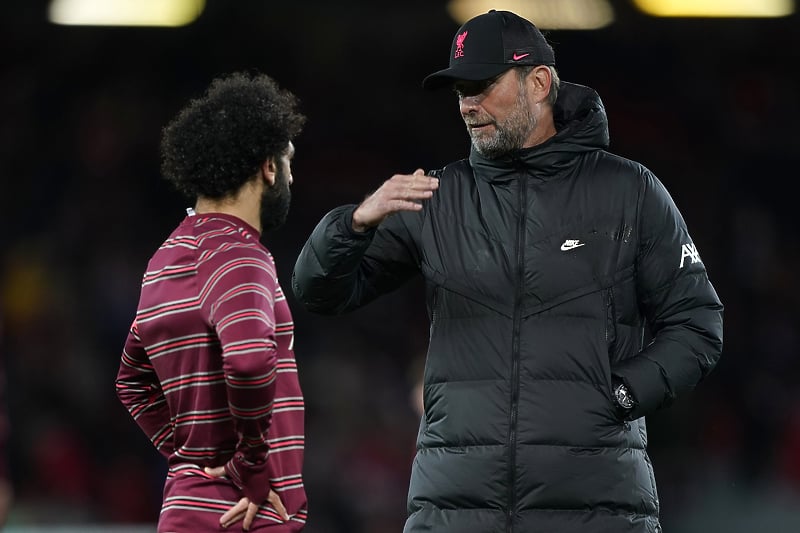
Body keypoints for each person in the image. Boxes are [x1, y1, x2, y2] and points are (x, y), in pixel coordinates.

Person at [292, 9, 723, 533]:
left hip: (594, 508)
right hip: (455, 508)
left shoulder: (629, 192)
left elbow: (698, 325)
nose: (468, 105)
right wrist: (354, 224)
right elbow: (318, 292)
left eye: (482, 85)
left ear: (539, 82)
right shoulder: (436, 198)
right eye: (459, 92)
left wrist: (619, 397)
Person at [116, 72, 308, 532]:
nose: (292, 175)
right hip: (248, 514)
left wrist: (191, 463)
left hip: (184, 510)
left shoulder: (164, 258)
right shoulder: (242, 254)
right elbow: (247, 360)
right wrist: (251, 464)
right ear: (268, 167)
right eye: (288, 161)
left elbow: (131, 384)